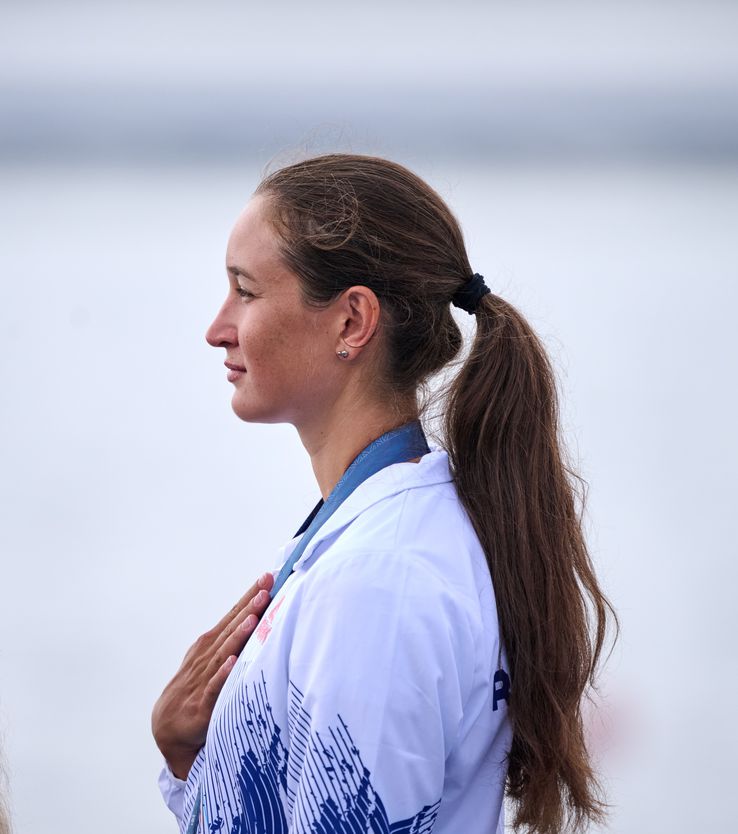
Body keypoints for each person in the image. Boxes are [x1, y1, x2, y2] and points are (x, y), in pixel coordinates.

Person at [152, 154, 616, 834]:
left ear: (351, 322)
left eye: (246, 292)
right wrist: (189, 759)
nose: (217, 328)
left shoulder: (378, 582)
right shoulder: (392, 533)